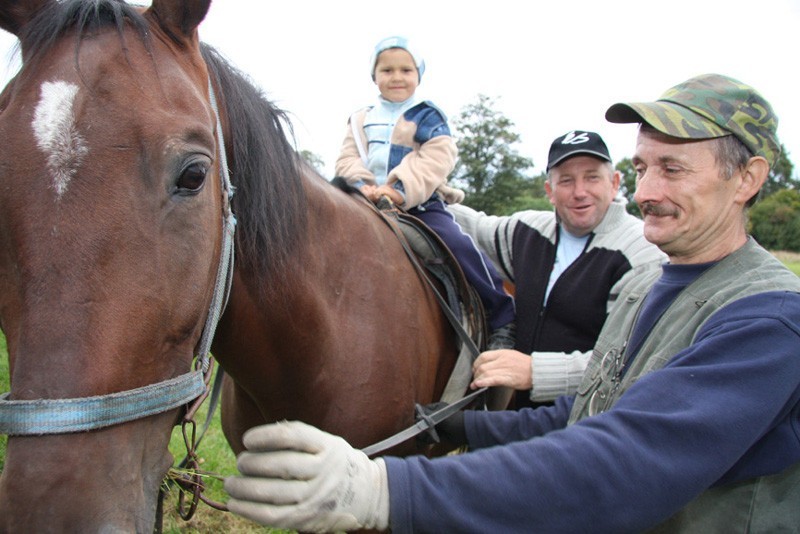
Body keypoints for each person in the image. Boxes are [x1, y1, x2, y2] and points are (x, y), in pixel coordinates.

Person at [225, 73, 800, 533]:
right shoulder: (656, 286)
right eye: (645, 167)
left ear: (747, 179)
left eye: (673, 169)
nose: (648, 191)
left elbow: (625, 462)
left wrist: (384, 493)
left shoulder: (767, 318)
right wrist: (444, 431)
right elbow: (583, 414)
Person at [450, 130, 665, 408]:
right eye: (566, 180)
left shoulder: (640, 253)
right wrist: (420, 193)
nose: (579, 192)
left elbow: (631, 361)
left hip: (588, 424)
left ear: (614, 183)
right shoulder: (528, 232)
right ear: (550, 191)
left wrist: (534, 372)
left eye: (592, 177)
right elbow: (474, 228)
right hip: (523, 419)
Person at [335, 35, 515, 349]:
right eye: (387, 70)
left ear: (418, 75)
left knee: (458, 245)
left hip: (418, 204)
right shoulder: (360, 119)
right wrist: (364, 187)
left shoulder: (427, 115)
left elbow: (437, 157)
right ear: (374, 76)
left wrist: (398, 190)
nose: (396, 77)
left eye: (406, 70)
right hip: (365, 202)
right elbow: (347, 158)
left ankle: (502, 316)